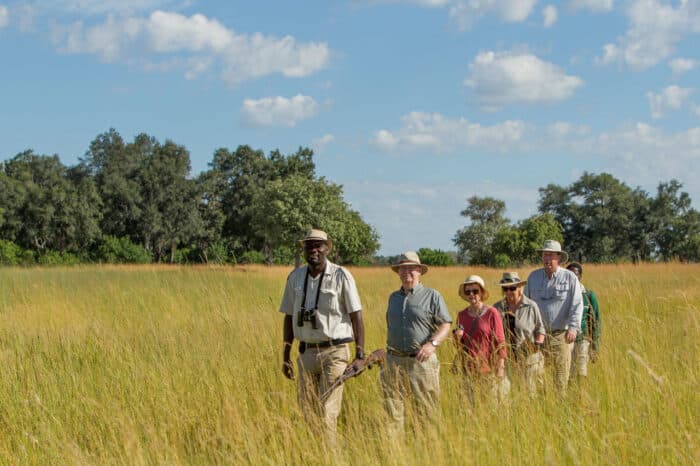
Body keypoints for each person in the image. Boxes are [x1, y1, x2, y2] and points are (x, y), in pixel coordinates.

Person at [279, 229, 365, 442]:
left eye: (318, 245)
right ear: (304, 250)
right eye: (309, 246)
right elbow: (289, 317)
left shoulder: (341, 275)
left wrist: (360, 355)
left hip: (335, 351)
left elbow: (356, 316)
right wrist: (285, 356)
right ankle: (312, 455)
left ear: (327, 248)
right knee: (307, 412)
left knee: (327, 413)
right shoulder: (295, 277)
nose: (314, 250)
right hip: (306, 352)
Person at [381, 251, 452, 436]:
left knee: (426, 411)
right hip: (394, 361)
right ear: (398, 272)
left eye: (411, 268)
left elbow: (446, 324)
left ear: (419, 270)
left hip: (421, 362)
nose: (407, 272)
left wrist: (432, 344)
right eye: (403, 269)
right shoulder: (393, 298)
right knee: (392, 410)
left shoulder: (432, 295)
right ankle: (395, 454)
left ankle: (429, 451)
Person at [524, 240, 583, 394]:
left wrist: (573, 328)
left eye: (551, 255)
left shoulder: (570, 278)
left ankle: (559, 408)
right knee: (534, 376)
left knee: (560, 377)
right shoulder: (533, 277)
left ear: (559, 257)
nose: (547, 259)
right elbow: (525, 305)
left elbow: (577, 304)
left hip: (561, 336)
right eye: (545, 255)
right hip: (537, 338)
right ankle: (539, 408)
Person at [453, 275, 509, 405]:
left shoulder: (492, 312)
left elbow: (501, 342)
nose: (471, 294)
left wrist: (500, 367)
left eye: (475, 291)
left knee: (490, 408)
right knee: (468, 409)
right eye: (468, 291)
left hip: (488, 370)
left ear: (482, 292)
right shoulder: (461, 315)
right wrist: (457, 338)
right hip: (467, 371)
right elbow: (459, 347)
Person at [493, 272, 546, 397]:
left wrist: (536, 345)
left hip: (529, 359)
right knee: (506, 394)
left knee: (530, 394)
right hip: (507, 359)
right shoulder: (497, 308)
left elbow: (540, 329)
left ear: (520, 288)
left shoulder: (531, 306)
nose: (509, 292)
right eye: (505, 288)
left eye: (512, 288)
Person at [566, 262, 601, 380]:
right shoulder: (560, 294)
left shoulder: (588, 295)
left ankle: (581, 397)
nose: (573, 278)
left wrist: (594, 347)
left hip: (583, 339)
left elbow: (596, 321)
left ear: (580, 276)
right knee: (566, 374)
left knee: (581, 373)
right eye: (570, 274)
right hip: (565, 340)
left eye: (576, 275)